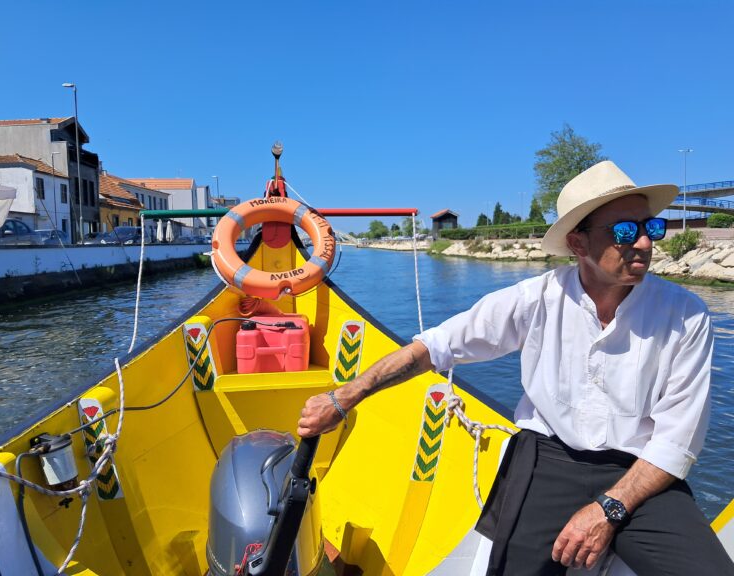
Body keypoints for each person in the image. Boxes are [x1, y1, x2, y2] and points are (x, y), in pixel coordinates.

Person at [297, 160, 734, 575]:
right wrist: (344, 396)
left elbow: (676, 440)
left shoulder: (686, 315)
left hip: (640, 472)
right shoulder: (536, 299)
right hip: (549, 461)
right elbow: (433, 348)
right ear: (578, 244)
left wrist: (608, 509)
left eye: (650, 227)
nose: (644, 243)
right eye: (624, 231)